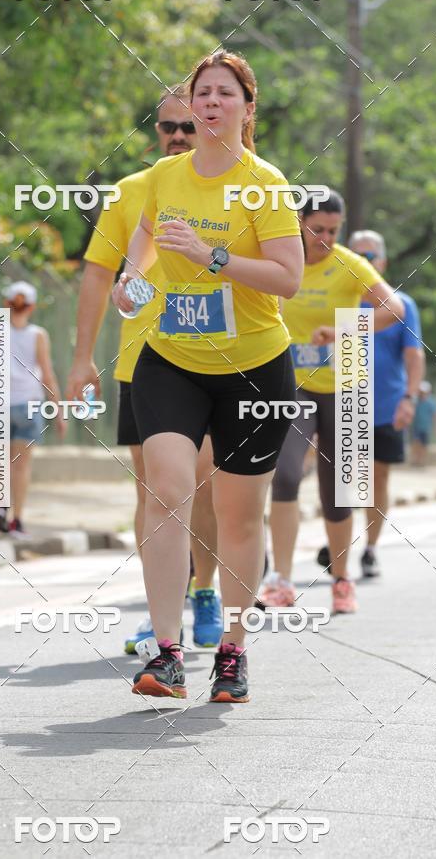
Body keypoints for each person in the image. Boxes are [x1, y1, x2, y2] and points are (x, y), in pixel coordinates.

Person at [112, 49, 304, 702]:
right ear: (191, 107)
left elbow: (289, 278)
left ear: (248, 109)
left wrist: (211, 255)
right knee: (166, 491)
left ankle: (231, 654)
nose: (212, 102)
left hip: (253, 369)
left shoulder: (266, 183)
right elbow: (144, 235)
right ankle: (166, 653)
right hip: (172, 358)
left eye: (226, 93)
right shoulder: (166, 176)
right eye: (204, 93)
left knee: (239, 515)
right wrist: (133, 280)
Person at [67, 85, 223, 653]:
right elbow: (96, 274)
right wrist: (83, 357)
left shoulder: (236, 185)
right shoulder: (134, 191)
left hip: (217, 360)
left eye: (189, 126)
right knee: (156, 492)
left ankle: (204, 589)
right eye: (168, 128)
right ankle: (167, 612)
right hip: (145, 363)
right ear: (156, 132)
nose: (179, 137)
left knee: (203, 486)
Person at [259, 197, 405, 613]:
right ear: (299, 224)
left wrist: (344, 327)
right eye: (317, 229)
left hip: (347, 381)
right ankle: (281, 581)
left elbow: (392, 309)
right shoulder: (280, 258)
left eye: (333, 231)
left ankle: (342, 580)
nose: (324, 239)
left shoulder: (349, 263)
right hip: (294, 383)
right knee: (285, 474)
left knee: (340, 492)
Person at [316, 229, 424, 578]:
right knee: (344, 479)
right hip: (342, 397)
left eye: (371, 257)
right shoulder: (341, 297)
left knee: (377, 477)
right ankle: (339, 543)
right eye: (358, 256)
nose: (365, 262)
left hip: (387, 403)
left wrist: (409, 398)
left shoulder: (401, 304)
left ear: (383, 262)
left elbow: (413, 355)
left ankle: (371, 548)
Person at [0, 281, 66, 537]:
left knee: (0, 461)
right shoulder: (38, 335)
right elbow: (47, 374)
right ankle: (17, 519)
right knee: (21, 466)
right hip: (29, 404)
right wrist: (58, 410)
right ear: (32, 307)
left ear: (6, 304)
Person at [411, 381, 436, 467]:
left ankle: (422, 460)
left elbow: (435, 415)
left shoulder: (431, 402)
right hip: (416, 426)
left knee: (424, 445)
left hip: (426, 427)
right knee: (416, 442)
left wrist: (435, 427)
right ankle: (416, 459)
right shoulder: (415, 401)